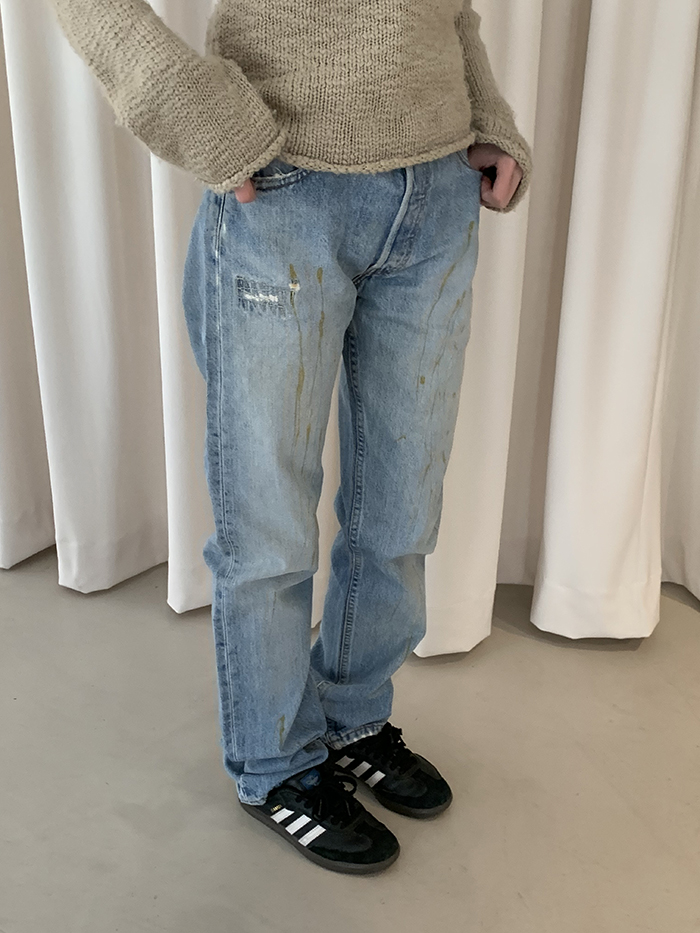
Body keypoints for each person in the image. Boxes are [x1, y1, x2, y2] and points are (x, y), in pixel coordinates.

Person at [48, 0, 532, 875]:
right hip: (283, 193)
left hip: (437, 195)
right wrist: (193, 109)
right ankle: (274, 761)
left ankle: (353, 716)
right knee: (267, 524)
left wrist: (486, 110)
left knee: (402, 506)